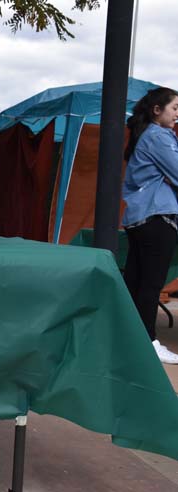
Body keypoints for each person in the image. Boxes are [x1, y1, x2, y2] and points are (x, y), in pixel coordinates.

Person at [122, 86, 178, 364]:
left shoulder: (145, 135)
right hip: (158, 217)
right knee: (150, 284)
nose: (177, 115)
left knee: (136, 281)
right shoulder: (160, 136)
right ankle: (149, 342)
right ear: (157, 110)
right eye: (174, 108)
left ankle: (130, 340)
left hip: (139, 217)